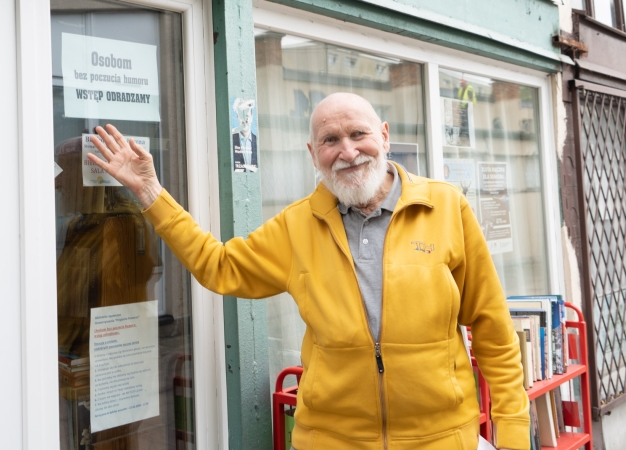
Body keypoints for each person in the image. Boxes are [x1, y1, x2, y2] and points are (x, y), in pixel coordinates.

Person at [85, 93, 529, 450]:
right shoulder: (297, 225)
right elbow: (218, 267)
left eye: (359, 134)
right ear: (313, 153)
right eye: (330, 140)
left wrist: (511, 433)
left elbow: (492, 327)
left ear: (385, 136)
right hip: (331, 441)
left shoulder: (446, 206)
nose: (348, 151)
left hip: (441, 440)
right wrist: (150, 191)